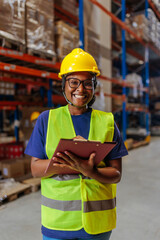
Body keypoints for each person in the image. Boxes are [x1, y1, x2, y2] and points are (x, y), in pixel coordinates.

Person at [25, 48, 128, 240]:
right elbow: (35, 168)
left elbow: (116, 173)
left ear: (94, 86)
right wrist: (71, 165)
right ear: (64, 85)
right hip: (57, 223)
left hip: (97, 225)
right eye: (73, 82)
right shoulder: (46, 120)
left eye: (87, 83)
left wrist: (91, 171)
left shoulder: (107, 122)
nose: (80, 89)